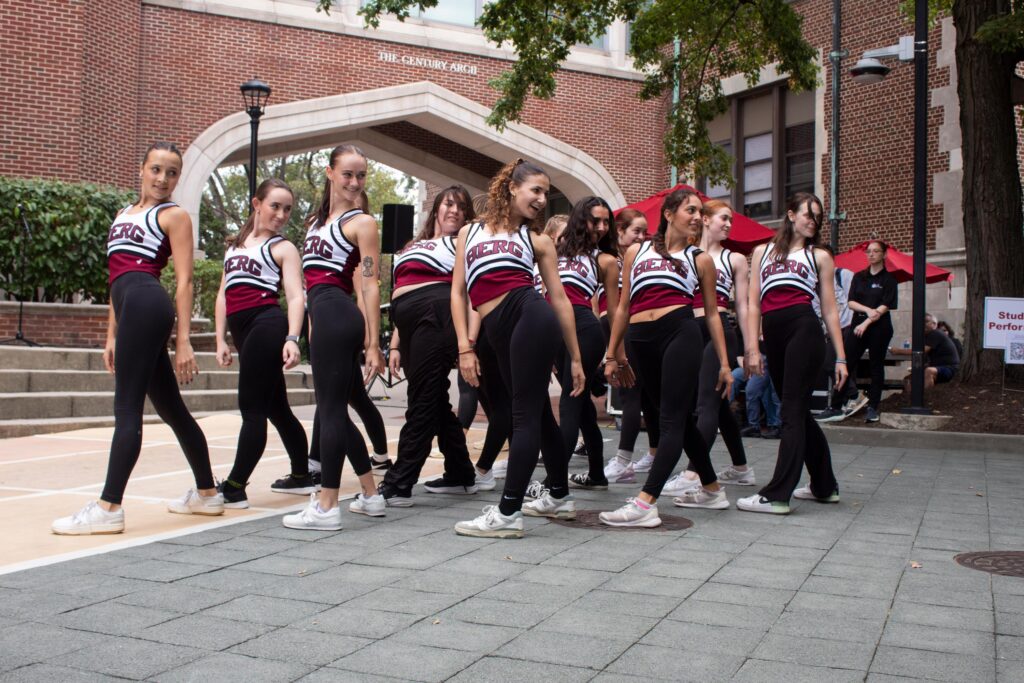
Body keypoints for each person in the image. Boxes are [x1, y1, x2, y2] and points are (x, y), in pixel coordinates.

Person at [53, 142, 222, 534]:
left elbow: (184, 280)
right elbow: (116, 280)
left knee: (126, 409)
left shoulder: (174, 215)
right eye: (157, 169)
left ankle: (108, 508)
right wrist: (111, 334)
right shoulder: (122, 214)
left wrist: (184, 341)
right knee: (171, 409)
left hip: (149, 304)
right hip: (130, 309)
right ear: (142, 169)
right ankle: (208, 493)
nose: (163, 179)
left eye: (172, 172)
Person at [451, 158, 586, 539]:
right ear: (512, 187)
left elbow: (559, 299)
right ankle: (559, 495)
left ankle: (508, 512)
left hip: (531, 316)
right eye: (536, 190)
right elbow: (458, 292)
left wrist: (575, 357)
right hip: (497, 329)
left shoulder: (537, 239)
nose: (543, 199)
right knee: (540, 415)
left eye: (547, 193)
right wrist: (465, 345)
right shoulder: (470, 232)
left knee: (523, 414)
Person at [601, 188, 734, 527]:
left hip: (680, 334)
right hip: (639, 340)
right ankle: (713, 490)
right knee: (676, 419)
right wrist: (612, 354)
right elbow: (624, 306)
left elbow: (713, 314)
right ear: (670, 213)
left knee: (671, 421)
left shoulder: (700, 259)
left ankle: (646, 504)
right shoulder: (636, 251)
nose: (697, 217)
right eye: (691, 210)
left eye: (700, 213)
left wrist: (724, 363)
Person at [283, 144, 386, 531]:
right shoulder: (314, 222)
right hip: (322, 317)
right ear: (330, 173)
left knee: (328, 413)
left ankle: (327, 504)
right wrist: (308, 328)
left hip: (340, 315)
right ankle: (371, 494)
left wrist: (374, 343)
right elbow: (308, 286)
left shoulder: (363, 224)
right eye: (348, 174)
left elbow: (372, 285)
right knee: (335, 412)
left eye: (361, 175)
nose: (355, 182)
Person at [739, 192, 848, 515]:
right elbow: (754, 302)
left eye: (817, 216)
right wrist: (752, 348)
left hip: (805, 329)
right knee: (798, 411)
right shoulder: (762, 252)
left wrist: (841, 357)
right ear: (790, 215)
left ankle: (777, 493)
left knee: (790, 410)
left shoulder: (820, 257)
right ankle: (824, 486)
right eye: (807, 214)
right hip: (774, 333)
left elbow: (829, 310)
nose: (812, 220)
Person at [213, 179, 313, 509]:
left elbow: (297, 296)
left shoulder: (283, 248)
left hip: (267, 326)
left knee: (251, 409)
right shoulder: (234, 247)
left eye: (287, 209)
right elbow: (223, 295)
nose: (282, 214)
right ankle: (302, 475)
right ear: (257, 204)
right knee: (276, 408)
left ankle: (235, 486)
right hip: (243, 334)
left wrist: (292, 338)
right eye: (275, 206)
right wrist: (220, 339)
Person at [379, 186, 479, 506]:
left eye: (461, 207)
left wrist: (469, 344)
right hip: (408, 324)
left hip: (437, 317)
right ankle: (461, 473)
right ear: (436, 208)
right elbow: (402, 288)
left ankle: (400, 482)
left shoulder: (464, 242)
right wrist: (395, 344)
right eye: (449, 204)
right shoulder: (413, 245)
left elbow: (471, 296)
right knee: (433, 400)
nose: (454, 211)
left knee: (421, 400)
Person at [663, 199, 754, 494]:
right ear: (705, 220)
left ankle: (693, 474)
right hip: (689, 330)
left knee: (706, 403)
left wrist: (749, 346)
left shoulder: (735, 259)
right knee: (716, 403)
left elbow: (743, 305)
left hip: (719, 331)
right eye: (723, 218)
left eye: (731, 220)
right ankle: (741, 469)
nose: (728, 224)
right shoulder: (686, 255)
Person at [543, 197, 619, 490]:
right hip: (553, 331)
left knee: (570, 403)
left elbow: (614, 313)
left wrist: (614, 356)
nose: (601, 227)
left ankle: (553, 483)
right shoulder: (553, 250)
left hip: (585, 330)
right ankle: (597, 475)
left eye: (605, 222)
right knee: (582, 406)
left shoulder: (605, 260)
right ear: (579, 220)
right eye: (594, 220)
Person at [600, 208, 659, 483]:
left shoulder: (640, 259)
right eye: (636, 231)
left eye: (645, 231)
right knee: (642, 395)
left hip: (631, 330)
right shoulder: (610, 259)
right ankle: (654, 454)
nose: (642, 236)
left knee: (632, 394)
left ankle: (624, 461)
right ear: (620, 231)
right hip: (614, 329)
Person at [818, 240, 896, 423]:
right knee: (843, 362)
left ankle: (873, 408)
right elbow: (851, 301)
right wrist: (867, 311)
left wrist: (867, 321)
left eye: (876, 251)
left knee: (876, 366)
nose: (871, 254)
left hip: (879, 328)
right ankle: (836, 406)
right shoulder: (859, 277)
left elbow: (885, 305)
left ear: (884, 255)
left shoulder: (889, 280)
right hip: (857, 326)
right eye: (869, 251)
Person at [893, 312, 960, 390]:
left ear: (933, 324)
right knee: (908, 379)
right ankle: (911, 400)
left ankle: (927, 398)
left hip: (950, 368)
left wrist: (898, 351)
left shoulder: (935, 333)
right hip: (937, 367)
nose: (923, 324)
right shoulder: (926, 336)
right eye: (921, 322)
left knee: (929, 371)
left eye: (926, 322)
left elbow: (921, 352)